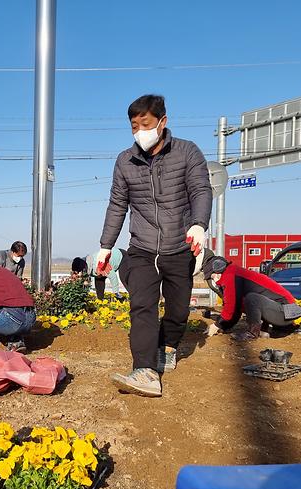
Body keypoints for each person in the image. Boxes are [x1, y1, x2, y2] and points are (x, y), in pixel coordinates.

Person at [98, 94, 212, 397]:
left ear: (163, 122)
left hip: (179, 246)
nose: (139, 131)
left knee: (177, 310)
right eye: (134, 126)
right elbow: (117, 204)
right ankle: (145, 370)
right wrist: (106, 245)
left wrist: (199, 224)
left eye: (145, 124)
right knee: (142, 306)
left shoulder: (188, 152)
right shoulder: (125, 160)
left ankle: (169, 346)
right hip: (142, 248)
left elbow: (201, 189)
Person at [202, 250, 301, 341]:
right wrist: (223, 327)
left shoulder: (230, 275)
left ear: (219, 269)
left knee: (252, 298)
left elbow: (230, 308)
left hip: (287, 312)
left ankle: (252, 333)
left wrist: (216, 325)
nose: (214, 280)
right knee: (248, 301)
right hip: (284, 313)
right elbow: (236, 309)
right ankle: (267, 329)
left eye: (213, 276)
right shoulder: (234, 273)